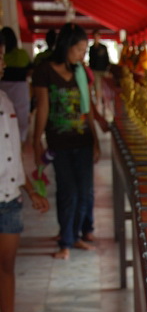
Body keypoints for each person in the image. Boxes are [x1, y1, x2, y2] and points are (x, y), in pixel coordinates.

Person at [0, 32, 49, 312]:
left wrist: (30, 190)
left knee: (7, 267)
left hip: (9, 196)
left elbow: (13, 153)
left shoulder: (5, 100)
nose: (3, 63)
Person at [33, 23, 100, 259]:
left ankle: (76, 236)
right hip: (58, 142)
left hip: (83, 140)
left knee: (84, 192)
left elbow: (87, 109)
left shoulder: (81, 72)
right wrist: (36, 140)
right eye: (79, 50)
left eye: (84, 50)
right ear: (66, 46)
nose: (82, 55)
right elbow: (43, 108)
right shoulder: (44, 71)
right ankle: (66, 241)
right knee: (67, 191)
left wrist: (95, 140)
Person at [0, 26, 31, 142]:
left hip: (4, 86)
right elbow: (30, 70)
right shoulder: (21, 54)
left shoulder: (11, 55)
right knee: (19, 119)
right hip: (20, 90)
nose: (4, 64)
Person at [88, 30, 109, 110]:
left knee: (105, 87)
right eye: (95, 36)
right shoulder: (91, 48)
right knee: (97, 87)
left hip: (103, 70)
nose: (96, 38)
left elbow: (107, 59)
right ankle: (98, 103)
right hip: (95, 71)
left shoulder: (103, 47)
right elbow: (91, 60)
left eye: (97, 36)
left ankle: (105, 102)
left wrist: (107, 69)